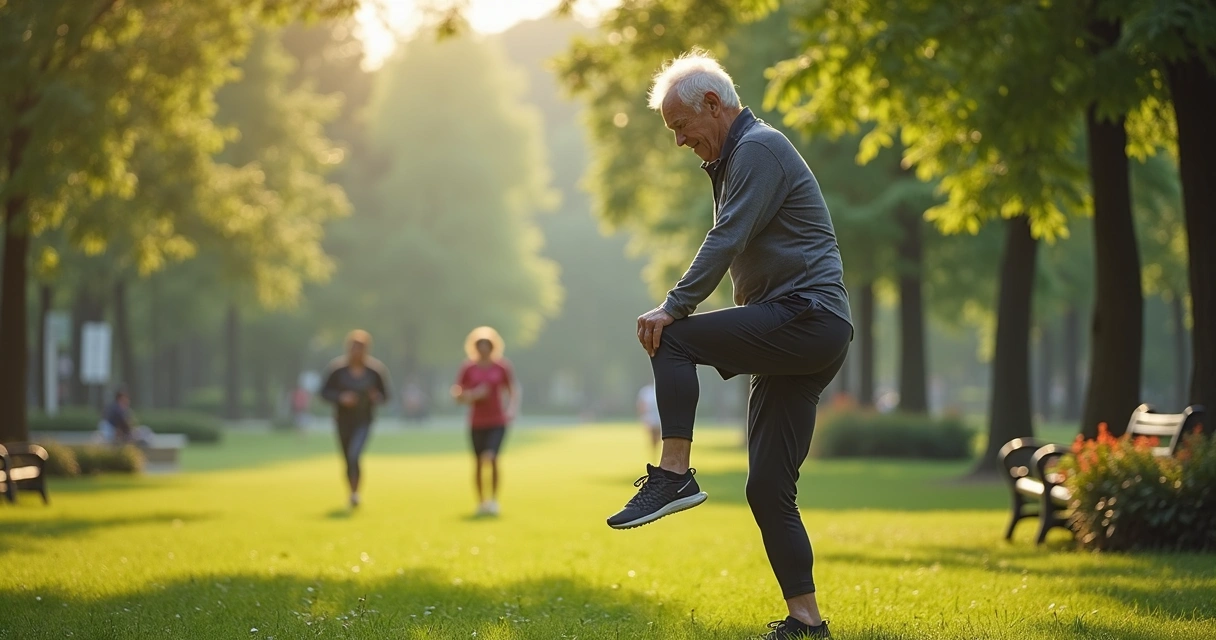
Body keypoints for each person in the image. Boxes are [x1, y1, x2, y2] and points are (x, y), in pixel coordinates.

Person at [604, 50, 853, 640]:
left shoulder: (758, 149)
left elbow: (726, 237)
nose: (678, 140)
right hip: (804, 331)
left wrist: (674, 304)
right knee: (768, 489)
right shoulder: (736, 156)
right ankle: (806, 622)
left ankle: (673, 475)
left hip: (806, 317)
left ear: (712, 104)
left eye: (680, 126)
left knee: (673, 340)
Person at [451, 326, 518, 517]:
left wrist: (511, 409)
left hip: (497, 420)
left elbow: (512, 390)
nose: (483, 349)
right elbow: (457, 394)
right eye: (480, 345)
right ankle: (481, 502)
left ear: (493, 346)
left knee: (493, 458)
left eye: (487, 345)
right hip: (476, 422)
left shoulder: (502, 367)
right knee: (479, 462)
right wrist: (473, 395)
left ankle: (494, 500)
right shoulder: (468, 368)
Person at [320, 330, 391, 509]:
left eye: (360, 348)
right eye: (353, 348)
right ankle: (351, 492)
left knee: (354, 454)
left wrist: (376, 398)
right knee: (347, 459)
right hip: (343, 421)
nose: (356, 352)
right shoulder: (337, 370)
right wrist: (341, 397)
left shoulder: (375, 371)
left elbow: (385, 396)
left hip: (364, 421)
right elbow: (324, 393)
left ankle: (355, 493)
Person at [636, 382, 661, 456]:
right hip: (650, 417)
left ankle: (657, 451)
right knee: (652, 436)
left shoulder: (660, 389)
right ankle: (654, 452)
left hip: (659, 418)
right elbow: (641, 405)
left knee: (659, 436)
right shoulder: (645, 391)